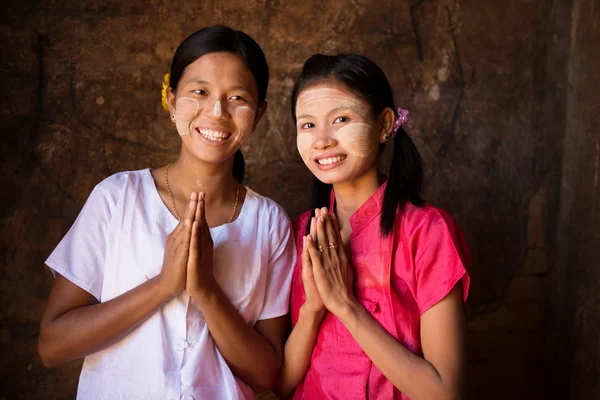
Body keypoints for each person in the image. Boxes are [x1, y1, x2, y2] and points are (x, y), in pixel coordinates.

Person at [38, 25, 295, 400]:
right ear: (171, 100)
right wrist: (163, 286)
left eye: (237, 97)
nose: (217, 112)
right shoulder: (118, 198)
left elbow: (265, 375)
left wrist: (206, 290)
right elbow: (52, 345)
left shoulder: (270, 223)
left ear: (257, 114)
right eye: (200, 92)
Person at [273, 53, 470, 400]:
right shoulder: (298, 232)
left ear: (383, 125)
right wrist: (314, 309)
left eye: (341, 119)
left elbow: (445, 393)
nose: (321, 140)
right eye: (307, 125)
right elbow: (284, 384)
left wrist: (345, 305)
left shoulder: (427, 232)